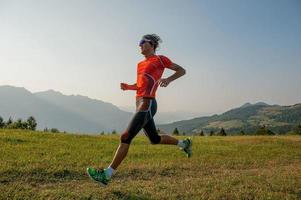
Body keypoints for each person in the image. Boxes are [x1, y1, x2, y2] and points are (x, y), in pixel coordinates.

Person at [87, 34, 191, 186]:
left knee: (125, 136)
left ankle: (106, 175)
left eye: (143, 42)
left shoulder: (160, 59)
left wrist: (168, 79)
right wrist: (129, 87)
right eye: (139, 43)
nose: (140, 45)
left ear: (152, 44)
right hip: (139, 102)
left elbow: (181, 70)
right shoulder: (140, 64)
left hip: (148, 103)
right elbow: (141, 85)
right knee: (154, 139)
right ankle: (184, 144)